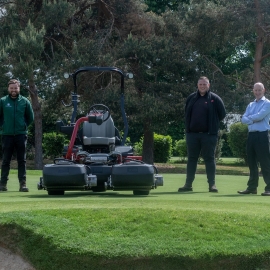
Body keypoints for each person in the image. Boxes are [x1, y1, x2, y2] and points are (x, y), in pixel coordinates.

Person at [178, 76, 226, 193]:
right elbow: (186, 113)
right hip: (192, 135)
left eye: (205, 84)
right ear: (197, 85)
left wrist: (212, 124)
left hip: (209, 135)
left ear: (208, 85)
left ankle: (212, 185)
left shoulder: (215, 98)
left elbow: (222, 114)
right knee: (192, 159)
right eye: (200, 84)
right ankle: (188, 184)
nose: (202, 86)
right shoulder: (191, 98)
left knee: (209, 159)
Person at [0, 79, 34, 192]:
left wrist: (23, 126)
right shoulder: (3, 101)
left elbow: (30, 117)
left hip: (21, 135)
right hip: (7, 135)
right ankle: (3, 184)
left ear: (19, 88)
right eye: (12, 88)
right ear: (8, 89)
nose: (14, 90)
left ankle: (22, 184)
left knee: (22, 161)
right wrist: (3, 126)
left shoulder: (24, 101)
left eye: (16, 88)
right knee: (5, 161)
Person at [238, 82, 270, 196]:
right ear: (253, 91)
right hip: (251, 135)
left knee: (265, 162)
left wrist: (249, 119)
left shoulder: (267, 103)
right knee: (252, 163)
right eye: (255, 90)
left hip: (262, 135)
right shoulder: (250, 105)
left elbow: (260, 116)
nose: (257, 92)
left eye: (259, 90)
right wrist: (253, 119)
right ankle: (252, 187)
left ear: (264, 90)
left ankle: (269, 188)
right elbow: (243, 119)